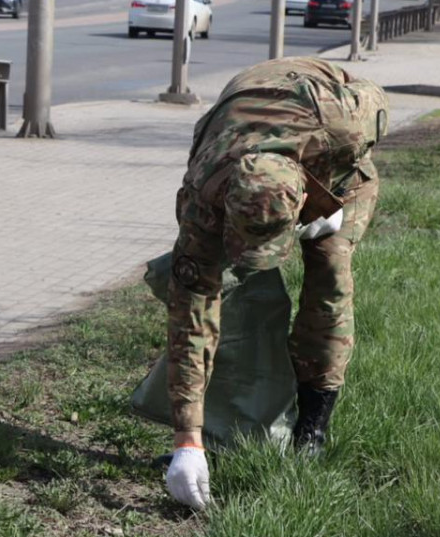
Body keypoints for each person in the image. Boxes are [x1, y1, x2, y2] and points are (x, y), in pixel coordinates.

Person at [163, 58, 389, 510]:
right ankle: (217, 425)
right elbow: (193, 310)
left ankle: (313, 424)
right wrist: (186, 441)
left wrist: (332, 202)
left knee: (330, 276)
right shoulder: (203, 196)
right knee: (204, 295)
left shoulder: (343, 121)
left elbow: (379, 102)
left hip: (338, 167)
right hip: (245, 129)